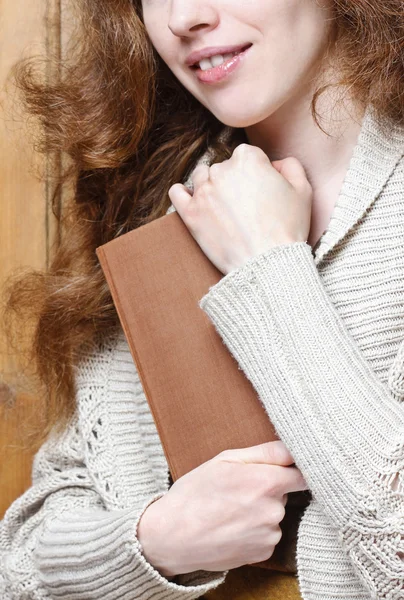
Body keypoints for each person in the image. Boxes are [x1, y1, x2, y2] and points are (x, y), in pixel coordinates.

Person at [0, 0, 403, 599]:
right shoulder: (151, 198)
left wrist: (269, 271)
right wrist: (156, 543)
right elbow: (20, 563)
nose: (183, 15)